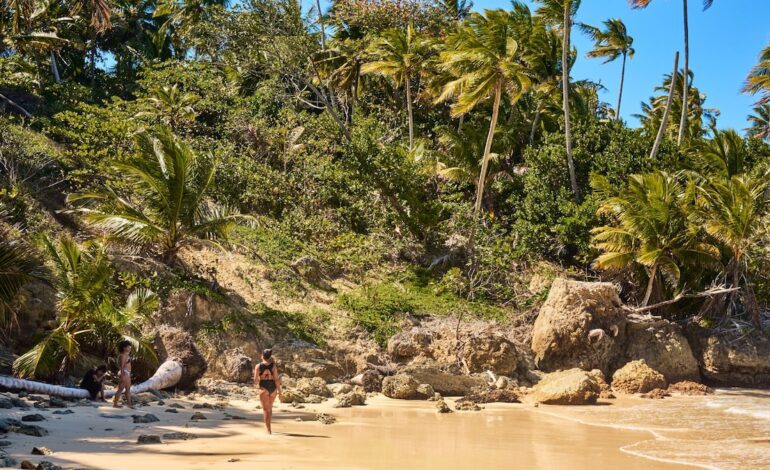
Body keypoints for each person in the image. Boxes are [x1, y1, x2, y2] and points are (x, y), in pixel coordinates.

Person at [254, 348, 281, 435]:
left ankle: (268, 430)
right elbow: (276, 379)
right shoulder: (273, 366)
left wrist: (260, 376)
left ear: (262, 355)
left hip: (264, 388)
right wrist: (280, 391)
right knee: (270, 408)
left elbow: (256, 380)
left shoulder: (258, 366)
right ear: (270, 357)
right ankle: (269, 428)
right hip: (273, 388)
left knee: (266, 410)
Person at [112, 340, 134, 409]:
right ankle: (115, 404)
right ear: (124, 348)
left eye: (130, 347)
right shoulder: (123, 355)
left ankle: (129, 404)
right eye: (128, 347)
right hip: (124, 373)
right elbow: (121, 366)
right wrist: (122, 375)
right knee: (120, 389)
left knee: (128, 389)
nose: (130, 348)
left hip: (127, 373)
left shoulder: (126, 355)